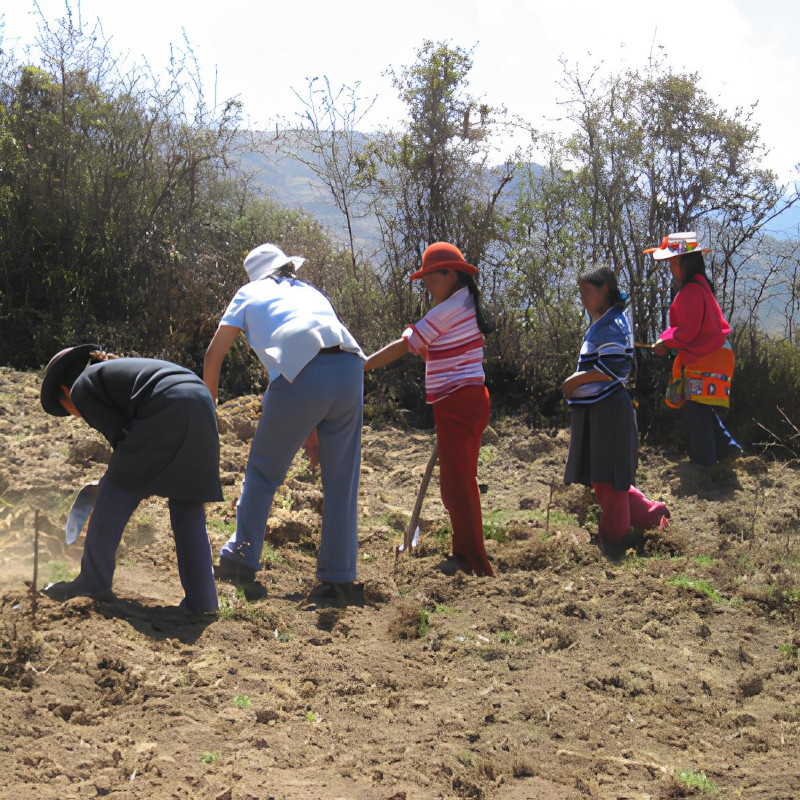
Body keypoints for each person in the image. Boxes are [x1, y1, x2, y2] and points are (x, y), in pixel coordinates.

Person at [204, 243, 365, 595]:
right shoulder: (311, 291)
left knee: (262, 473)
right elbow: (323, 363)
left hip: (300, 373)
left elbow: (215, 353)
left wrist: (206, 410)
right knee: (341, 479)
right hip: (352, 368)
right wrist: (313, 432)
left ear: (254, 274)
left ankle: (240, 559)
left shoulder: (248, 293)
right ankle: (339, 577)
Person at [40, 346, 221, 613]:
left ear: (66, 392)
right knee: (187, 506)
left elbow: (121, 438)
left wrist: (112, 484)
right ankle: (203, 602)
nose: (76, 416)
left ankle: (92, 584)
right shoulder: (113, 374)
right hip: (201, 406)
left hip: (168, 405)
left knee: (113, 494)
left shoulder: (81, 387)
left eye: (69, 411)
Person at [364, 242, 494, 577]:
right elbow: (424, 347)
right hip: (462, 401)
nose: (426, 285)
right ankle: (466, 552)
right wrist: (413, 333)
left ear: (451, 274)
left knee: (458, 485)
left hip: (459, 402)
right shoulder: (459, 303)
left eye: (430, 278)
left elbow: (410, 345)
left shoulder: (449, 308)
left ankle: (473, 559)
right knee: (456, 483)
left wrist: (363, 366)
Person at [563, 267, 669, 558]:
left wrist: (574, 381)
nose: (583, 297)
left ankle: (615, 538)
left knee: (609, 478)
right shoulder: (606, 321)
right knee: (604, 476)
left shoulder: (610, 325)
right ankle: (650, 514)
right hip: (601, 409)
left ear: (606, 289)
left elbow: (611, 369)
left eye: (588, 290)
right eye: (581, 291)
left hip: (609, 410)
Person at [646, 232, 742, 466]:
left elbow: (687, 331)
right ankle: (727, 448)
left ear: (686, 262)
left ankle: (704, 462)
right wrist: (666, 341)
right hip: (715, 354)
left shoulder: (691, 291)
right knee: (701, 406)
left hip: (708, 357)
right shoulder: (700, 287)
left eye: (673, 262)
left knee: (696, 407)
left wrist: (665, 342)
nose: (670, 267)